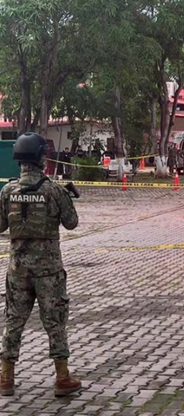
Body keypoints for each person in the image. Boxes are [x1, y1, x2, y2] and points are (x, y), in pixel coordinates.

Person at [0, 132, 82, 397]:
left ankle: (5, 377)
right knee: (55, 320)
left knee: (13, 320)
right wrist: (67, 196)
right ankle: (62, 377)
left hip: (18, 270)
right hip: (48, 272)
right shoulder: (53, 191)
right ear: (40, 159)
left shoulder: (8, 191)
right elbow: (71, 223)